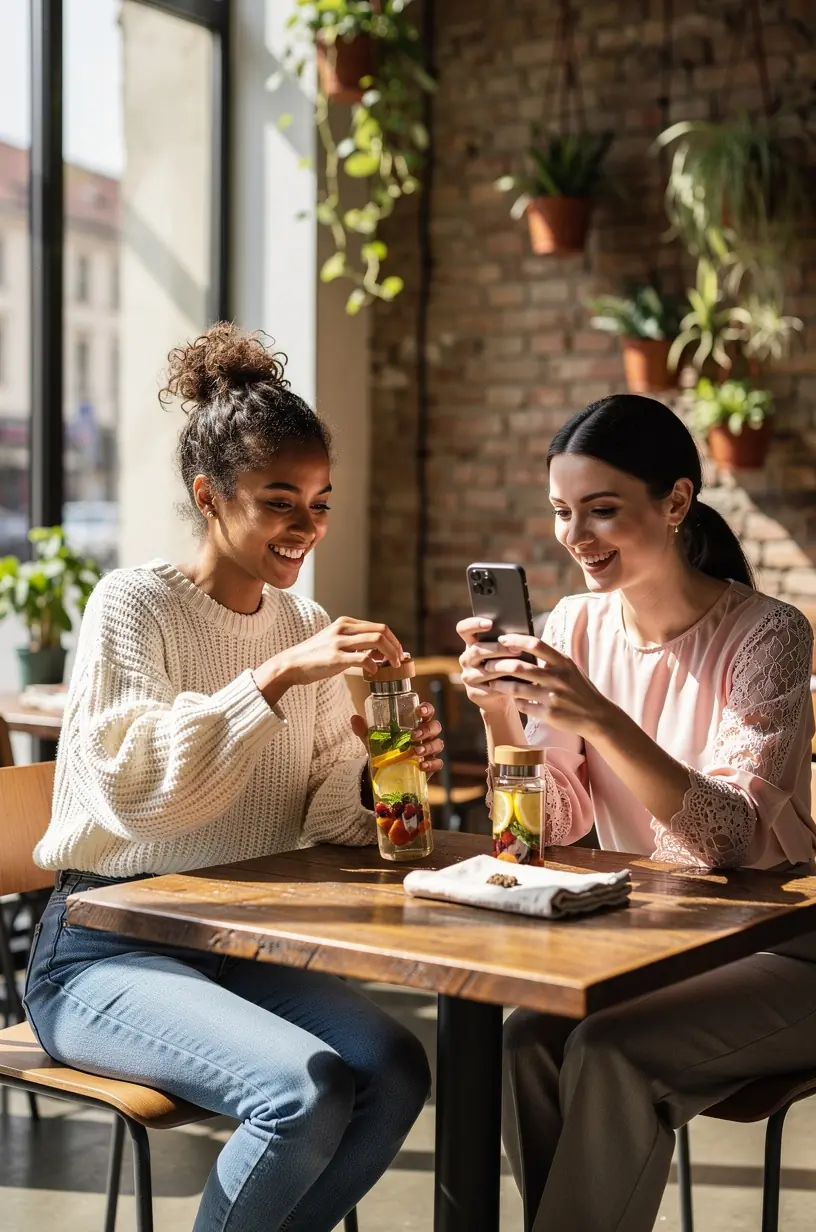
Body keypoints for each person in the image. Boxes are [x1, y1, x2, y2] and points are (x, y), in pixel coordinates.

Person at [25, 323, 439, 1232]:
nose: (307, 527)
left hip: (235, 948)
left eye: (321, 503)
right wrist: (276, 679)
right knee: (304, 1093)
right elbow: (139, 797)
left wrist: (384, 771)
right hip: (102, 948)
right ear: (209, 496)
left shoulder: (307, 620)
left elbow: (327, 815)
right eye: (280, 500)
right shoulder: (134, 604)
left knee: (397, 1067)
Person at [457, 393, 816, 1232]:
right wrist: (500, 713)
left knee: (611, 1053)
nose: (575, 536)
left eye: (602, 511)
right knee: (522, 1042)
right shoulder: (574, 625)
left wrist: (598, 717)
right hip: (654, 944)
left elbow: (723, 838)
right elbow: (547, 827)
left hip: (785, 952)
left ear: (677, 502)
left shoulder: (771, 634)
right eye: (561, 512)